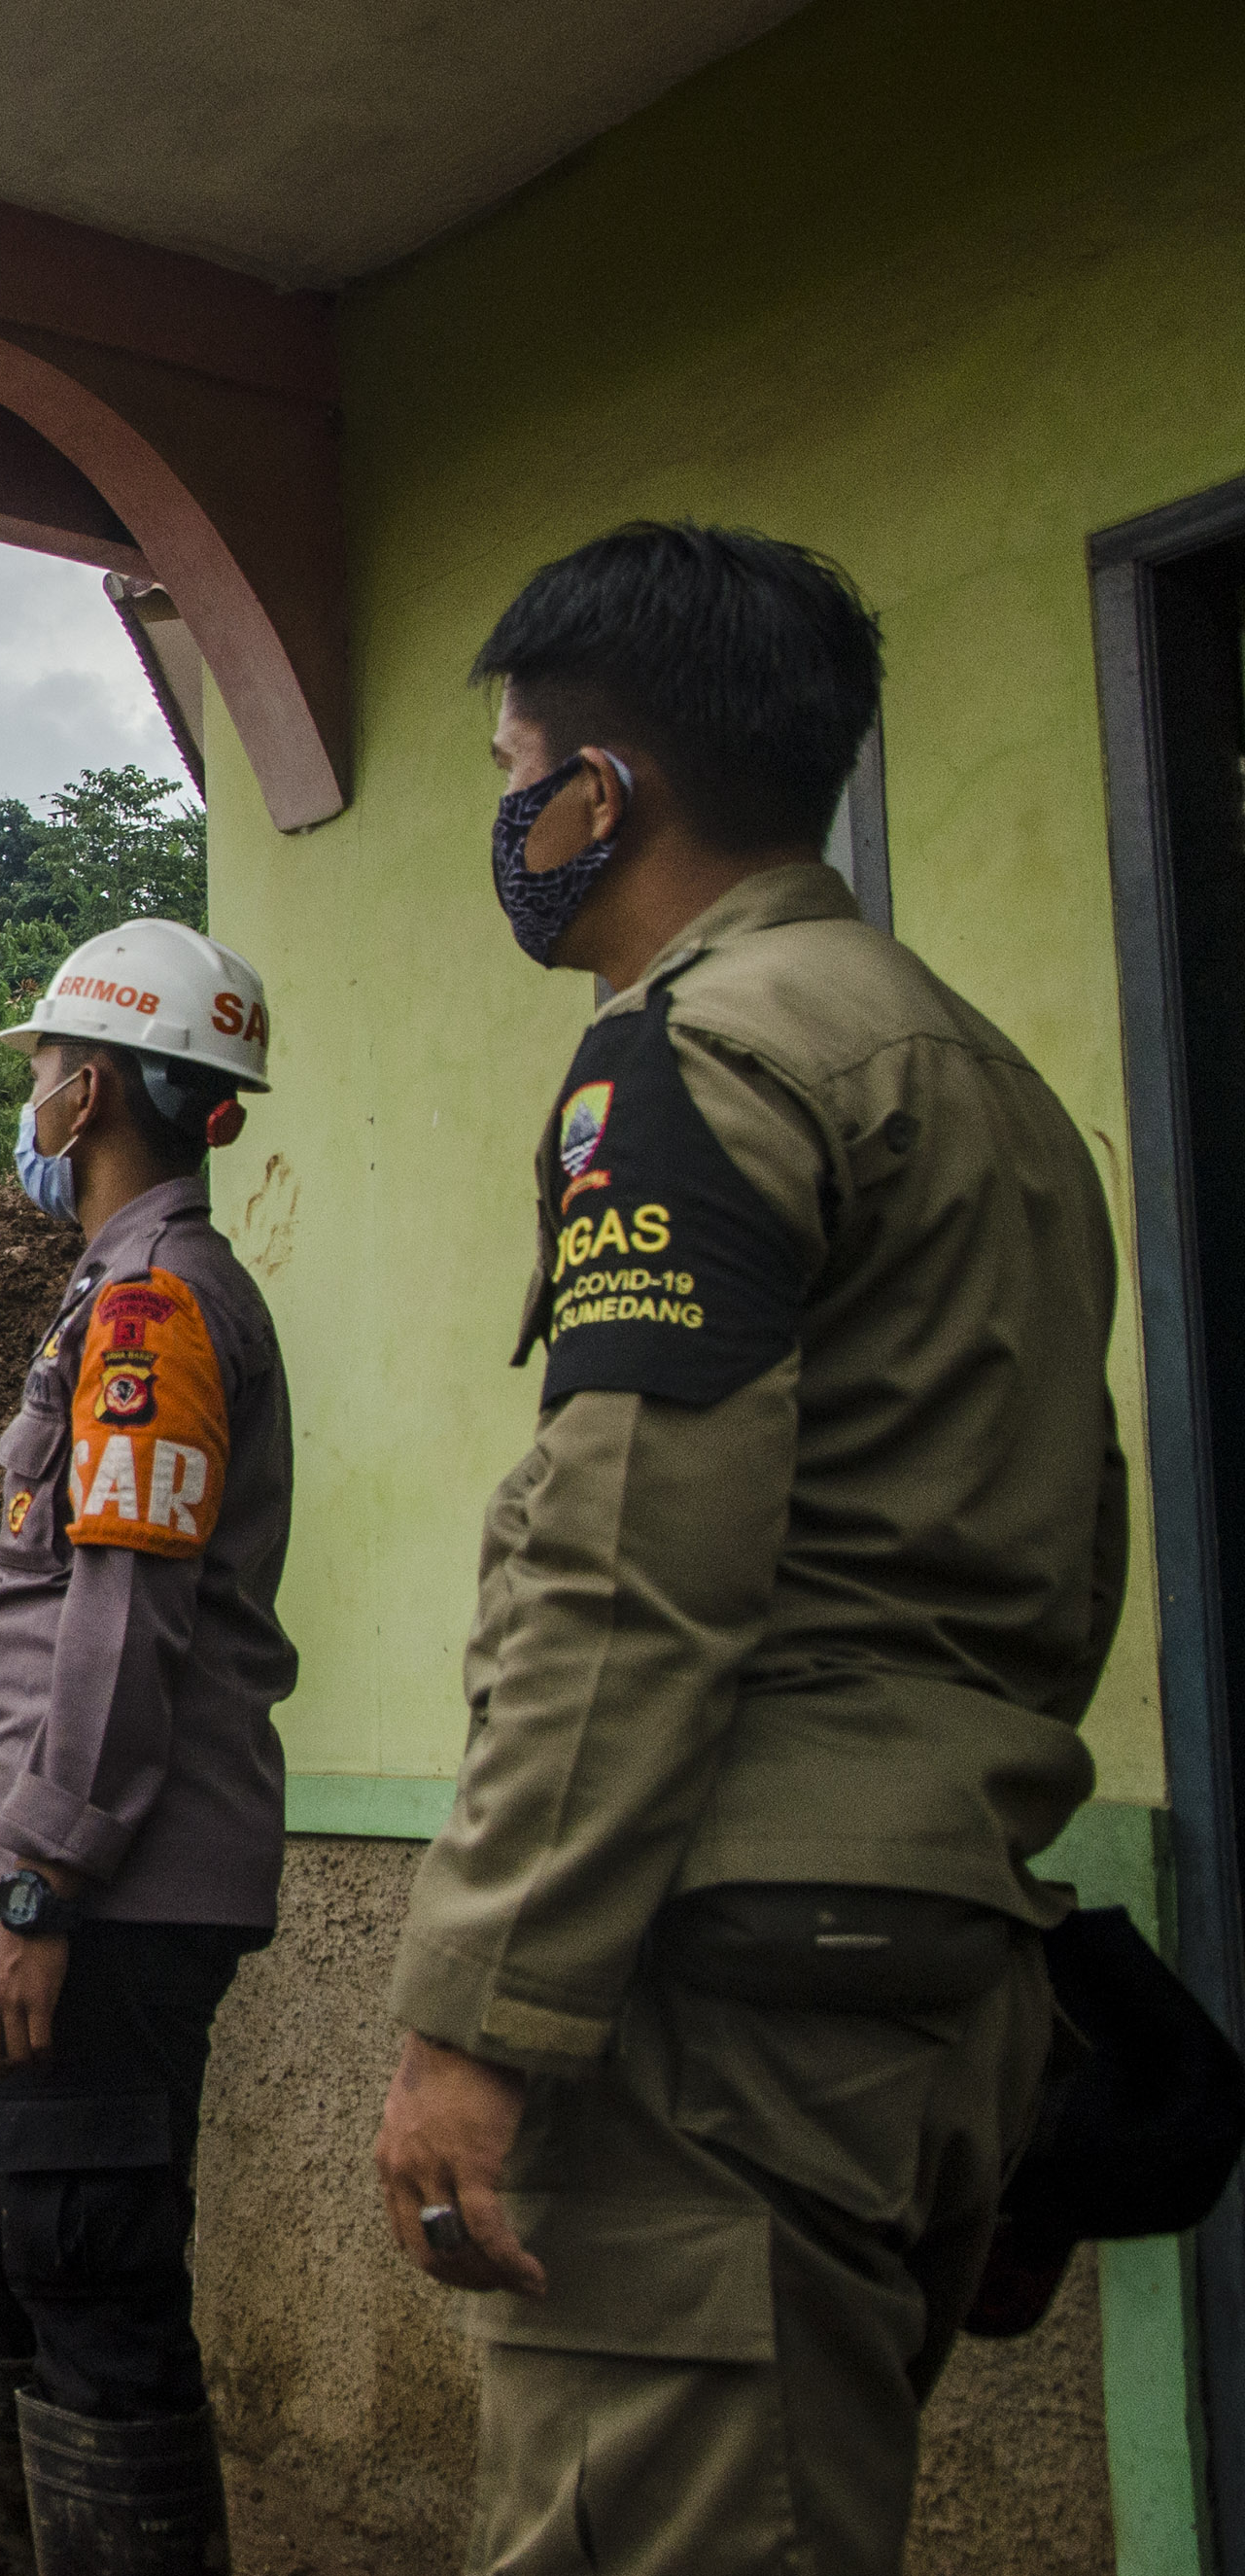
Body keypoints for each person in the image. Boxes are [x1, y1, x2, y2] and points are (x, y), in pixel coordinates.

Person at [370, 523, 1123, 2575]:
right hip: (925, 1956)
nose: (508, 817)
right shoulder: (989, 1083)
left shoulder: (690, 1056)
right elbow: (1066, 1546)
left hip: (726, 1985)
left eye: (517, 766)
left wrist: (478, 2011)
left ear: (601, 789)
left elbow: (631, 1565)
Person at [0, 918, 292, 2576]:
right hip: (52, 1880)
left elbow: (119, 1616)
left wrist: (41, 1889)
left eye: (49, 1068)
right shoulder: (105, 1302)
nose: (34, 1098)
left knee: (86, 2273)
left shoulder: (156, 1316)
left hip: (107, 1892)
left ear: (101, 1088)